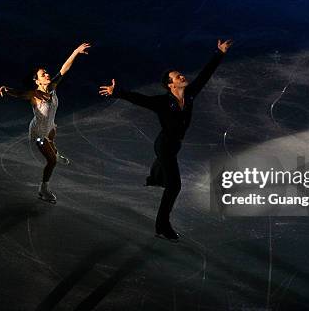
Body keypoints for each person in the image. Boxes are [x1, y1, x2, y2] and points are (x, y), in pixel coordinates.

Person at [99, 39, 232, 241]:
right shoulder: (162, 102)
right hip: (165, 147)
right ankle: (162, 226)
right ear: (170, 84)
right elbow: (140, 99)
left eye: (180, 74)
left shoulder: (190, 96)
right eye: (177, 76)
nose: (181, 76)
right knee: (174, 186)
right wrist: (117, 92)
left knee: (167, 174)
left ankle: (156, 175)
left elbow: (205, 75)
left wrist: (219, 53)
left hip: (174, 145)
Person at [0, 42, 90, 203]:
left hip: (50, 126)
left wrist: (75, 52)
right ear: (37, 81)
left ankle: (55, 152)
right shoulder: (34, 95)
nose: (47, 75)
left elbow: (63, 70)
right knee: (51, 161)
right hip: (38, 133)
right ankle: (43, 189)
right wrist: (6, 89)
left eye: (46, 73)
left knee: (52, 139)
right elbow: (20, 94)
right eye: (43, 74)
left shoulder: (52, 87)